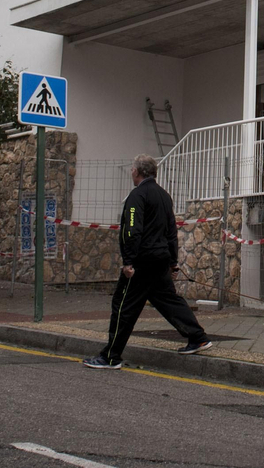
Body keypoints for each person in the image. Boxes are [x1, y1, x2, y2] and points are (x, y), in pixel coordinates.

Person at [84, 154, 212, 368]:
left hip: (142, 262)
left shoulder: (137, 196)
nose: (131, 172)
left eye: (133, 169)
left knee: (123, 306)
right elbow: (171, 231)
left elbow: (132, 230)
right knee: (169, 301)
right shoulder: (164, 196)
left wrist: (128, 262)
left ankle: (110, 356)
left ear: (137, 171)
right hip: (161, 259)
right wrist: (173, 262)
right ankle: (198, 337)